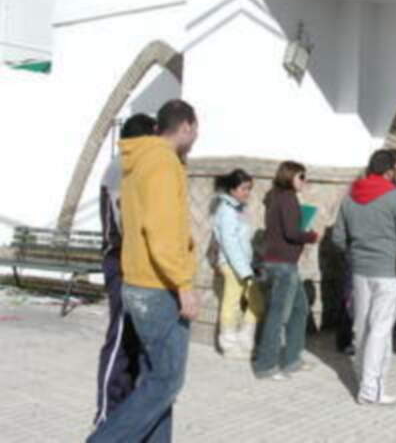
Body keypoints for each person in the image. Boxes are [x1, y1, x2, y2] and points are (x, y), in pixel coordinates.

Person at [87, 99, 200, 442]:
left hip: (137, 281)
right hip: (158, 287)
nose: (196, 136)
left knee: (156, 380)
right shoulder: (163, 164)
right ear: (186, 126)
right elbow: (161, 232)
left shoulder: (137, 160)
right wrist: (183, 284)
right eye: (196, 129)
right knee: (166, 381)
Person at [332, 149, 396, 405]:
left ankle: (365, 380)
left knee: (362, 326)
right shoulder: (395, 198)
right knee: (380, 330)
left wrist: (357, 252)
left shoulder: (350, 198)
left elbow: (338, 238)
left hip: (359, 271)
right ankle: (371, 390)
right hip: (389, 272)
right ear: (389, 171)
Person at [93, 113, 156, 426]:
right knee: (119, 336)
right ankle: (106, 411)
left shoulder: (132, 167)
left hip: (133, 262)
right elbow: (126, 224)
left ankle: (127, 405)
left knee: (133, 339)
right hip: (120, 261)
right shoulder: (121, 169)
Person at [252, 161, 318, 380]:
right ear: (289, 177)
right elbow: (291, 233)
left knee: (300, 309)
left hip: (280, 262)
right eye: (301, 177)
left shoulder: (275, 197)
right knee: (277, 315)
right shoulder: (287, 198)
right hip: (283, 265)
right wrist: (312, 236)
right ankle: (266, 366)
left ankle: (291, 360)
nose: (304, 181)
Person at [212, 168, 263, 360]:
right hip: (233, 266)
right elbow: (230, 245)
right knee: (231, 303)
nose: (247, 193)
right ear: (232, 190)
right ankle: (229, 346)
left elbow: (241, 242)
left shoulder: (237, 209)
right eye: (244, 188)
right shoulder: (226, 211)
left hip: (243, 265)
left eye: (249, 188)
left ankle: (245, 340)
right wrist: (245, 272)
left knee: (257, 303)